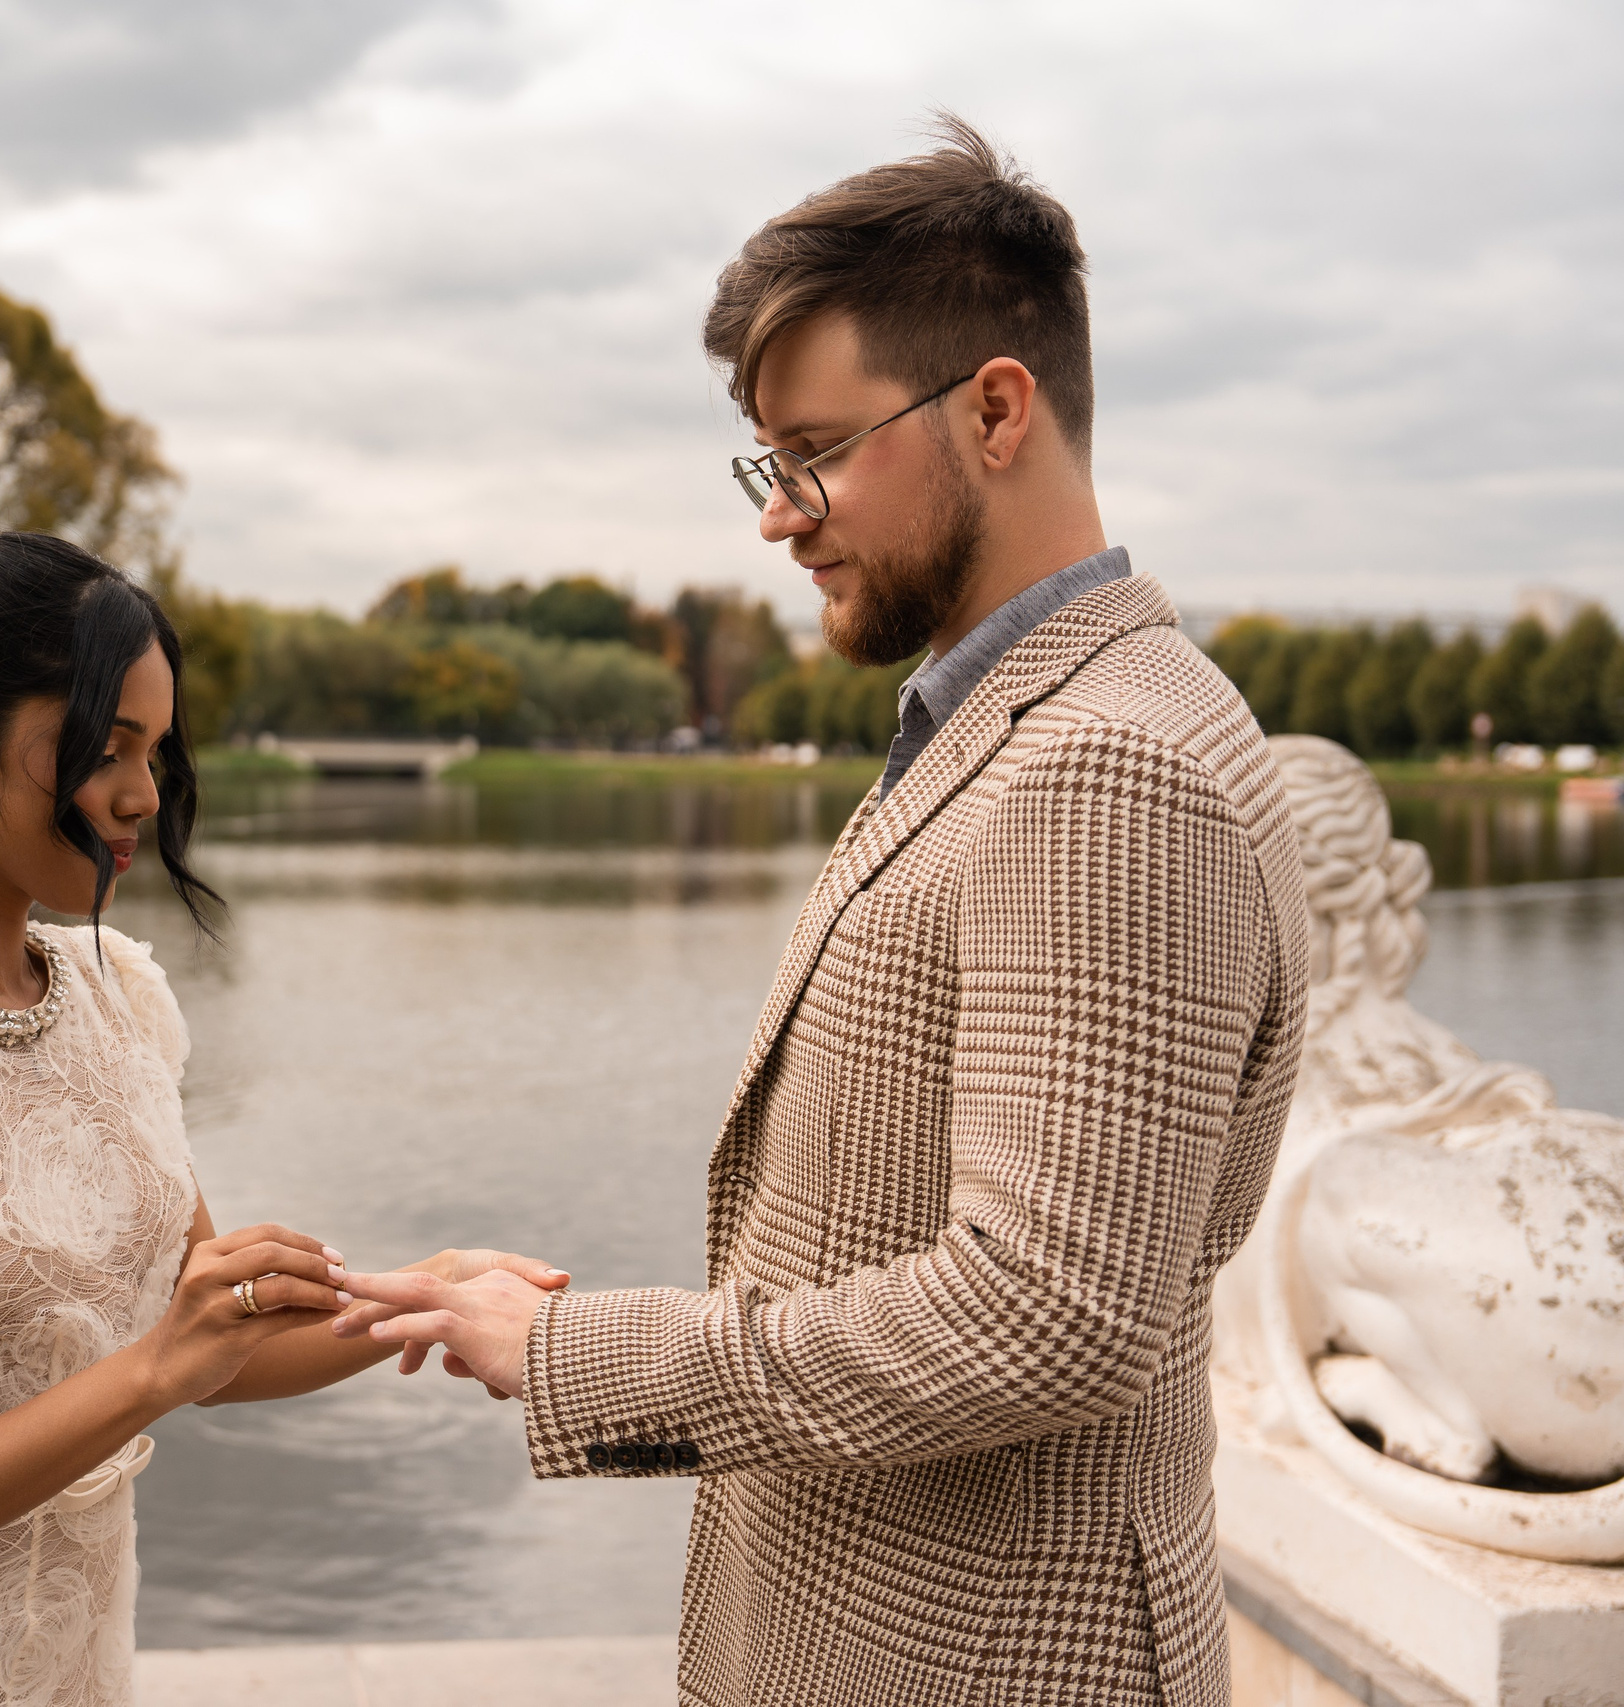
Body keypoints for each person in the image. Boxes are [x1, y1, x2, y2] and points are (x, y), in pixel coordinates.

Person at [337, 119, 1312, 1706]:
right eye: (767, 462)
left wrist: (580, 1350)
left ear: (996, 408)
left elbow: (1048, 1311)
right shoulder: (1016, 718)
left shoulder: (1109, 764)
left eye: (816, 451)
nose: (779, 514)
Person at [0, 531, 562, 1707]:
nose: (144, 794)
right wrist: (151, 1372)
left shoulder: (112, 998)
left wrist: (427, 1290)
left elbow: (205, 1337)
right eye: (104, 749)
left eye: (154, 749)